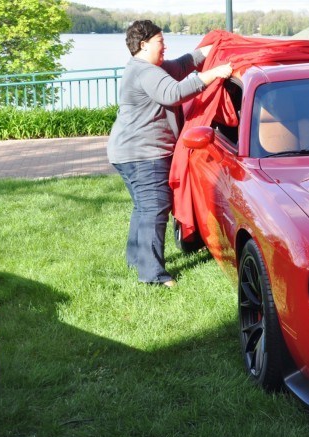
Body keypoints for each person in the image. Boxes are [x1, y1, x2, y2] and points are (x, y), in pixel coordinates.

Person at [107, 20, 232, 287]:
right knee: (154, 207)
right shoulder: (145, 71)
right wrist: (214, 74)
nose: (165, 47)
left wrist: (211, 50)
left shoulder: (154, 67)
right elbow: (174, 93)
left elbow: (183, 65)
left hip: (127, 152)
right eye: (161, 42)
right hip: (142, 154)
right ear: (144, 45)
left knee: (144, 208)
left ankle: (136, 260)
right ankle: (153, 274)